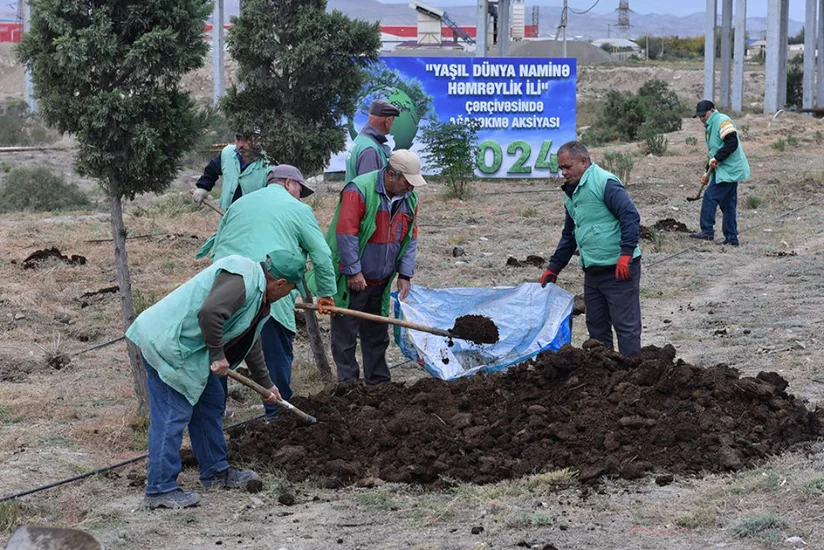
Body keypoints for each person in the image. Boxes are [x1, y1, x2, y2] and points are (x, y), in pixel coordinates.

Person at [126, 250, 305, 509]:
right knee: (172, 414)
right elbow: (210, 313)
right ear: (279, 283)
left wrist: (267, 385)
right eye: (291, 289)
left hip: (193, 352)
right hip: (168, 344)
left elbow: (249, 342)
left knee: (210, 403)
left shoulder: (260, 297)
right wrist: (218, 355)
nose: (290, 294)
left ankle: (215, 471)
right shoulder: (243, 278)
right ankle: (160, 489)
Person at [209, 164, 337, 420]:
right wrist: (325, 293)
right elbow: (321, 255)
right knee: (275, 356)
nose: (301, 195)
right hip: (270, 290)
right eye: (300, 189)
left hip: (222, 292)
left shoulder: (238, 205)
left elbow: (216, 247)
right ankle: (277, 419)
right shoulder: (298, 209)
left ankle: (214, 417)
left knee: (218, 356)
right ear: (290, 183)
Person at [328, 149, 426, 384]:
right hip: (354, 279)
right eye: (407, 182)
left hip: (381, 280)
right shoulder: (358, 190)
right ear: (392, 175)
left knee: (377, 333)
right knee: (346, 335)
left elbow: (410, 239)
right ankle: (348, 386)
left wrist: (405, 274)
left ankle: (379, 384)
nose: (411, 188)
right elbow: (346, 233)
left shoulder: (409, 199)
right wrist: (353, 271)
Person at [540, 141, 643, 358]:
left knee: (626, 326)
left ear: (584, 161)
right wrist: (554, 268)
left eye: (567, 167)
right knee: (596, 329)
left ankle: (633, 377)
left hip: (619, 268)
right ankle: (604, 379)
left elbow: (630, 216)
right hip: (593, 270)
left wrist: (625, 254)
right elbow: (569, 236)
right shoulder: (572, 194)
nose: (564, 173)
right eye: (561, 168)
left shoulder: (604, 182)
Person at [690, 100, 750, 246]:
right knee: (728, 204)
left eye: (703, 115)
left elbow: (732, 143)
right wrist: (707, 171)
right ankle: (731, 238)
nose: (702, 119)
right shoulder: (711, 125)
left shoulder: (722, 121)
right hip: (723, 169)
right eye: (699, 117)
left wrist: (717, 158)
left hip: (729, 170)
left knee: (710, 197)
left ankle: (707, 231)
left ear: (712, 110)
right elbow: (716, 149)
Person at [192, 128, 271, 211]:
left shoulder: (269, 165)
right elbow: (212, 170)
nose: (240, 145)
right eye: (238, 139)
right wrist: (203, 187)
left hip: (252, 220)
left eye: (246, 140)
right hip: (227, 217)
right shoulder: (227, 153)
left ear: (258, 141)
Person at [345, 99, 400, 181]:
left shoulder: (360, 140)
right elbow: (369, 190)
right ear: (387, 121)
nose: (393, 124)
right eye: (393, 120)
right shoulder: (370, 150)